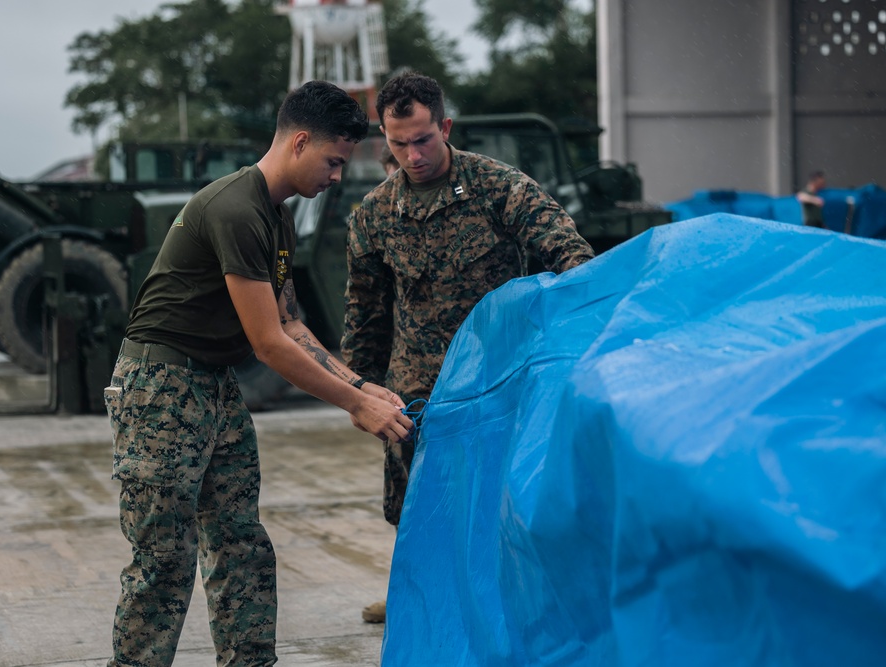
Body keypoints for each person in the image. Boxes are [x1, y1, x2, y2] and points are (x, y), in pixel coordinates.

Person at [104, 80, 414, 667]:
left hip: (213, 386)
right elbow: (268, 345)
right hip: (160, 387)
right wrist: (353, 406)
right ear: (299, 142)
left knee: (241, 543)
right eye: (333, 161)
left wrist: (361, 385)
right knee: (164, 557)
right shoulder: (235, 208)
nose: (336, 177)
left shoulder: (275, 218)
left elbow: (291, 323)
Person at [341, 71, 595, 624]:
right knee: (420, 506)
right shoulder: (373, 216)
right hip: (418, 392)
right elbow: (365, 316)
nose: (412, 154)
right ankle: (420, 593)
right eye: (398, 142)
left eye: (423, 139)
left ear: (445, 126)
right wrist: (356, 392)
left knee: (504, 500)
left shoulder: (500, 188)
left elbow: (571, 257)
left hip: (497, 379)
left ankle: (516, 604)